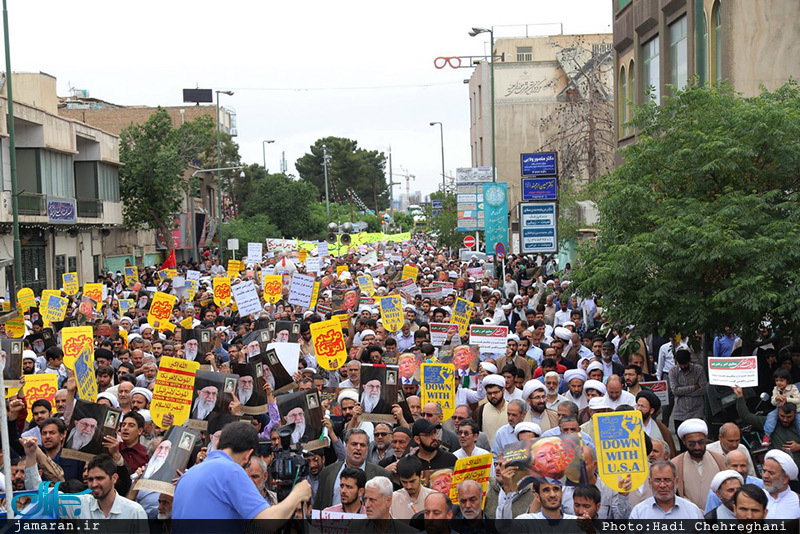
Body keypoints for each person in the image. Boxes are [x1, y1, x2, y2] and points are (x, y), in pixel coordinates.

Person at [172, 421, 312, 521]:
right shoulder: (231, 471)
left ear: (216, 444)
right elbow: (268, 521)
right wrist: (297, 494)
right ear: (248, 455)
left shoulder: (187, 475)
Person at [314, 428, 391, 509]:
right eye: (354, 444)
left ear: (367, 448)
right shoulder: (327, 472)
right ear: (346, 446)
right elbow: (319, 506)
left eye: (362, 445)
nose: (358, 448)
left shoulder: (382, 475)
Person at [61, 454, 148, 520]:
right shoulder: (81, 505)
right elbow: (50, 497)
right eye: (90, 479)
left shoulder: (134, 512)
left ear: (114, 478)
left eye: (100, 478)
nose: (94, 484)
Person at [672, 419, 725, 510]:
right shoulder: (676, 464)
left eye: (701, 442)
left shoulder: (719, 459)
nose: (697, 447)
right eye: (692, 444)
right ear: (684, 441)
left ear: (706, 438)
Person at [629, 459, 704, 519]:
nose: (662, 485)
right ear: (650, 482)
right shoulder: (639, 512)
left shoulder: (692, 511)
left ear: (676, 482)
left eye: (667, 480)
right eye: (657, 480)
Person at [669, 349, 706, 431]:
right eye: (680, 364)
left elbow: (703, 389)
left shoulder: (698, 369)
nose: (683, 367)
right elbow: (675, 391)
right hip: (680, 413)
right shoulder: (673, 371)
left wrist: (682, 392)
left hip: (696, 412)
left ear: (689, 361)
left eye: (685, 364)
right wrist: (694, 387)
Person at [762, 368, 800, 446]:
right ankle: (767, 435)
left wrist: (787, 399)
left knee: (799, 421)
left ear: (787, 380)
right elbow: (772, 402)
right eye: (777, 380)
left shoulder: (793, 388)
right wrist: (776, 398)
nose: (779, 383)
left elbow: (798, 400)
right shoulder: (775, 389)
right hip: (780, 409)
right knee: (771, 416)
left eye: (781, 380)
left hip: (795, 410)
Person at [761, 449, 800, 519]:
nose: (765, 476)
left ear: (785, 479)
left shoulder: (797, 501)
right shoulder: (757, 497)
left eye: (771, 473)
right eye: (764, 471)